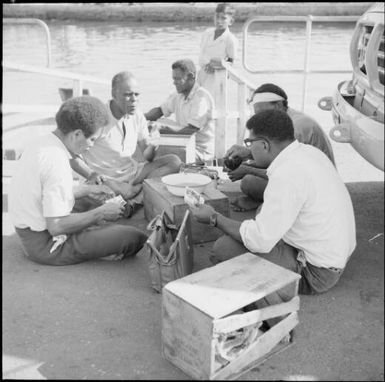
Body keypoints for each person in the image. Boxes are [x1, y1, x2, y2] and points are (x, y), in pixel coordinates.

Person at [189, 109, 356, 328]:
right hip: (334, 255)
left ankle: (269, 307)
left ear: (265, 145)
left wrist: (215, 219)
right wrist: (251, 156)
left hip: (316, 274)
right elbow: (276, 174)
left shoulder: (287, 176)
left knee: (225, 248)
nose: (248, 148)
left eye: (250, 143)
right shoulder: (306, 153)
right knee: (261, 215)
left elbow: (259, 241)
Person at [8, 96, 148, 266]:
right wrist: (101, 213)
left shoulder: (43, 143)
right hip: (45, 244)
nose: (91, 146)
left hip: (28, 229)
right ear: (77, 134)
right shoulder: (57, 162)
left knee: (95, 198)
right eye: (92, 139)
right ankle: (93, 240)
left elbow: (45, 192)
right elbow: (57, 227)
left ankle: (91, 232)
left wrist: (88, 190)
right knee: (134, 237)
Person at [70, 71, 182, 216]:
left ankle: (132, 199)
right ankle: (136, 196)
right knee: (107, 190)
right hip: (106, 179)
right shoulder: (97, 118)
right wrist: (92, 175)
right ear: (114, 94)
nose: (133, 100)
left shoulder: (138, 115)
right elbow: (71, 155)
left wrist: (154, 144)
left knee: (174, 161)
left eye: (137, 95)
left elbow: (147, 157)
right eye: (128, 95)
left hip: (132, 173)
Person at [225, 83, 336, 211]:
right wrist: (249, 153)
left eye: (262, 113)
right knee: (251, 179)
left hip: (317, 189)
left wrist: (247, 169)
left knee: (250, 182)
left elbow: (282, 171)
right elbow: (277, 159)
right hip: (306, 178)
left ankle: (271, 205)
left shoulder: (297, 127)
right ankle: (265, 202)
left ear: (277, 106)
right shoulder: (286, 119)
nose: (261, 119)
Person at [145, 59, 216, 163]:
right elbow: (159, 111)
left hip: (200, 152)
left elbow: (190, 131)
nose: (174, 82)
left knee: (158, 153)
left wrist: (161, 130)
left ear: (191, 77)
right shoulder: (178, 94)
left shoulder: (201, 98)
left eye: (178, 79)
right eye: (174, 79)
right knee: (147, 147)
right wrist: (139, 118)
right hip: (183, 144)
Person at [197, 3, 238, 98]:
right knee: (199, 101)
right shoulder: (207, 33)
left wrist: (218, 64)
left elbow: (231, 62)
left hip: (217, 76)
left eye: (223, 18)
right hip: (202, 73)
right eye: (217, 17)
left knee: (213, 103)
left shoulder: (230, 39)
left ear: (231, 21)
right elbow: (202, 53)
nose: (219, 21)